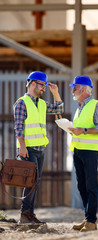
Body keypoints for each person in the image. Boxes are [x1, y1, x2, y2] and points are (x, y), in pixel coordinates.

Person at [14, 71, 64, 224]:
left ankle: (29, 214)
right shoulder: (22, 103)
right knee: (30, 181)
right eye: (43, 85)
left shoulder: (41, 104)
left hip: (40, 149)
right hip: (28, 149)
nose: (44, 88)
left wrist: (55, 93)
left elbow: (58, 110)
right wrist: (22, 147)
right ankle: (25, 214)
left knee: (35, 182)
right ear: (33, 84)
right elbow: (18, 127)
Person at [68, 75, 98, 232]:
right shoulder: (79, 107)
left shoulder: (96, 105)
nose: (73, 91)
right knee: (81, 186)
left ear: (83, 89)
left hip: (90, 152)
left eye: (74, 88)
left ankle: (91, 220)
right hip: (78, 150)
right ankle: (88, 218)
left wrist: (82, 131)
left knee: (91, 186)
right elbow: (81, 130)